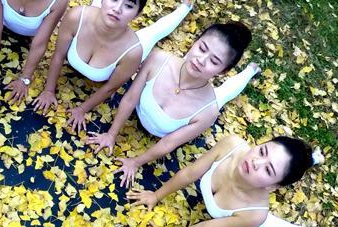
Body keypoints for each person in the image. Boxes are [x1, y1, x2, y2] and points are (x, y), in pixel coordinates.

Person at [84, 22, 261, 188]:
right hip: (172, 68)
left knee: (223, 94)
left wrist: (135, 162)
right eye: (202, 48)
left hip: (203, 98)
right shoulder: (158, 59)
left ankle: (249, 71)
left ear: (223, 71)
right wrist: (111, 134)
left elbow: (168, 143)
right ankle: (185, 8)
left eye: (214, 61)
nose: (201, 60)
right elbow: (130, 99)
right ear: (195, 41)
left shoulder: (208, 111)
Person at [34, 0, 193, 130]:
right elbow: (58, 55)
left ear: (137, 14)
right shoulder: (76, 17)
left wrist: (82, 109)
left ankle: (184, 8)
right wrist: (48, 90)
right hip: (93, 18)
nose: (117, 9)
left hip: (125, 42)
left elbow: (110, 88)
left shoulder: (133, 52)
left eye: (129, 6)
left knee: (153, 33)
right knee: (96, 3)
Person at [128, 133, 338, 227]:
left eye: (268, 170)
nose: (255, 162)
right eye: (262, 151)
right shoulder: (232, 145)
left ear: (273, 187)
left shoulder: (255, 215)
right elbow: (189, 174)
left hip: (245, 225)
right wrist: (156, 195)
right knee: (296, 160)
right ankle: (312, 158)